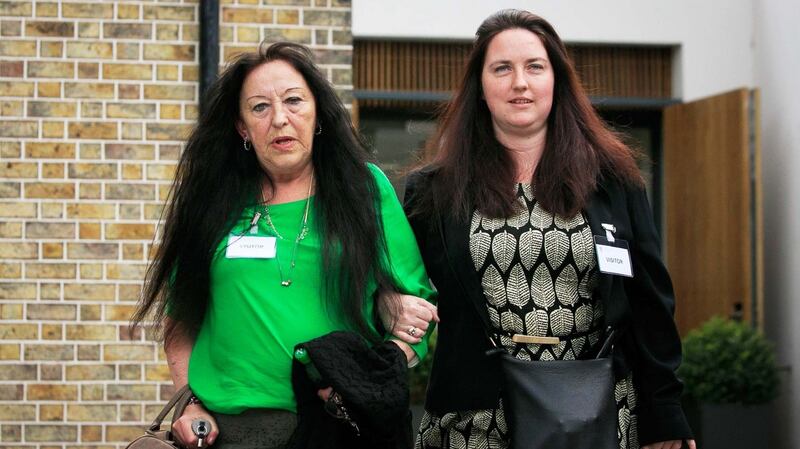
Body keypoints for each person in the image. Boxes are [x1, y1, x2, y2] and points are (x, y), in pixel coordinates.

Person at [402, 10, 696, 449]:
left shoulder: (613, 181)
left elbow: (649, 301)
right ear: (480, 88)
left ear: (556, 80)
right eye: (502, 68)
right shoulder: (434, 191)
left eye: (534, 67)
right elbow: (399, 286)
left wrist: (665, 411)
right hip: (474, 422)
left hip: (595, 414)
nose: (519, 82)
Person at [132, 41, 436, 449]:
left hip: (339, 427)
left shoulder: (362, 190)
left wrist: (368, 380)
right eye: (259, 107)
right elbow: (180, 318)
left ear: (317, 114)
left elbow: (417, 309)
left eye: (294, 101)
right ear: (242, 127)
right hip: (232, 433)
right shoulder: (213, 203)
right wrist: (191, 402)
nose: (280, 119)